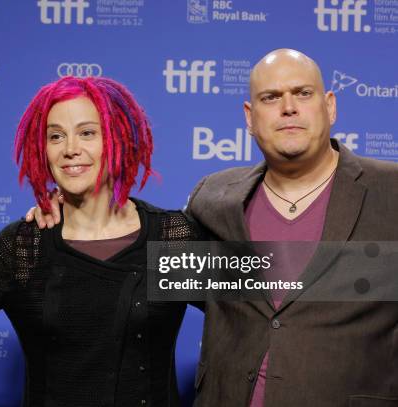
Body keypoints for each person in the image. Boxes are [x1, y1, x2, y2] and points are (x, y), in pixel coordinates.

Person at [31, 49, 398, 407]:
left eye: (303, 93)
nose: (289, 107)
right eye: (271, 97)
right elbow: (139, 263)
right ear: (249, 118)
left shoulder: (391, 191)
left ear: (330, 105)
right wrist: (74, 209)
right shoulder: (213, 199)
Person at [0, 76, 206, 406]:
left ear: (118, 139)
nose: (70, 149)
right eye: (55, 136)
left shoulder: (170, 237)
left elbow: (268, 303)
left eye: (87, 133)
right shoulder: (23, 248)